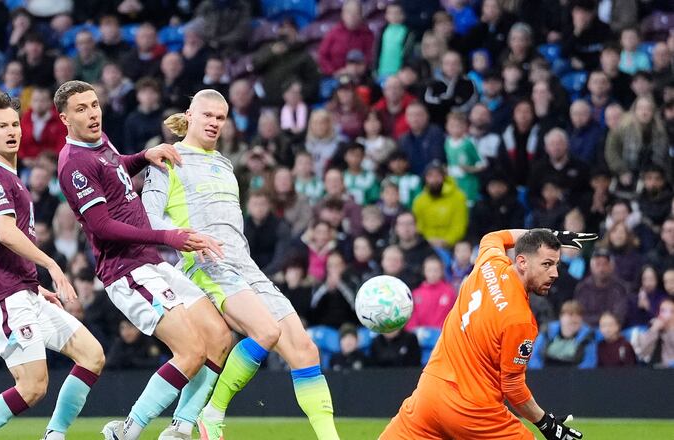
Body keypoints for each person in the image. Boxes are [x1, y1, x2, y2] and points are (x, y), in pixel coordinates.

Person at [146, 89, 340, 440]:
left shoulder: (224, 163)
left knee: (305, 350)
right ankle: (212, 415)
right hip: (205, 262)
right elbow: (148, 220)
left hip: (244, 263)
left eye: (221, 118)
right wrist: (184, 239)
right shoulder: (168, 160)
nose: (215, 123)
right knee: (265, 331)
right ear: (189, 115)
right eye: (207, 115)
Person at [52, 81, 232, 440]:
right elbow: (102, 227)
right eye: (81, 109)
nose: (92, 113)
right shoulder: (74, 164)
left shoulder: (100, 140)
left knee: (220, 337)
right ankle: (127, 431)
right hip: (126, 270)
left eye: (94, 105)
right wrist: (168, 237)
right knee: (192, 350)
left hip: (151, 261)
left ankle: (181, 428)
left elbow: (114, 168)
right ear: (64, 119)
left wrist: (141, 157)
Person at [0, 93, 105, 440]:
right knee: (33, 386)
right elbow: (5, 234)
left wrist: (33, 285)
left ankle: (55, 434)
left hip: (24, 291)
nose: (11, 131)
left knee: (92, 355)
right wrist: (51, 265)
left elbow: (10, 245)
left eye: (13, 124)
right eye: (1, 126)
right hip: (7, 297)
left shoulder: (13, 176)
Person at [381, 228, 591, 440]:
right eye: (546, 264)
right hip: (474, 412)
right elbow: (513, 387)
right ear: (522, 262)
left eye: (556, 265)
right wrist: (545, 423)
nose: (554, 273)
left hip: (429, 395)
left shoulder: (489, 264)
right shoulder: (520, 321)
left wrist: (543, 232)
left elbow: (493, 237)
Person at [634, 298, 674, 367]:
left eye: (671, 311)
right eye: (662, 310)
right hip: (656, 370)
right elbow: (642, 352)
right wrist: (654, 329)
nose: (666, 314)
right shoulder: (653, 328)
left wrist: (671, 329)